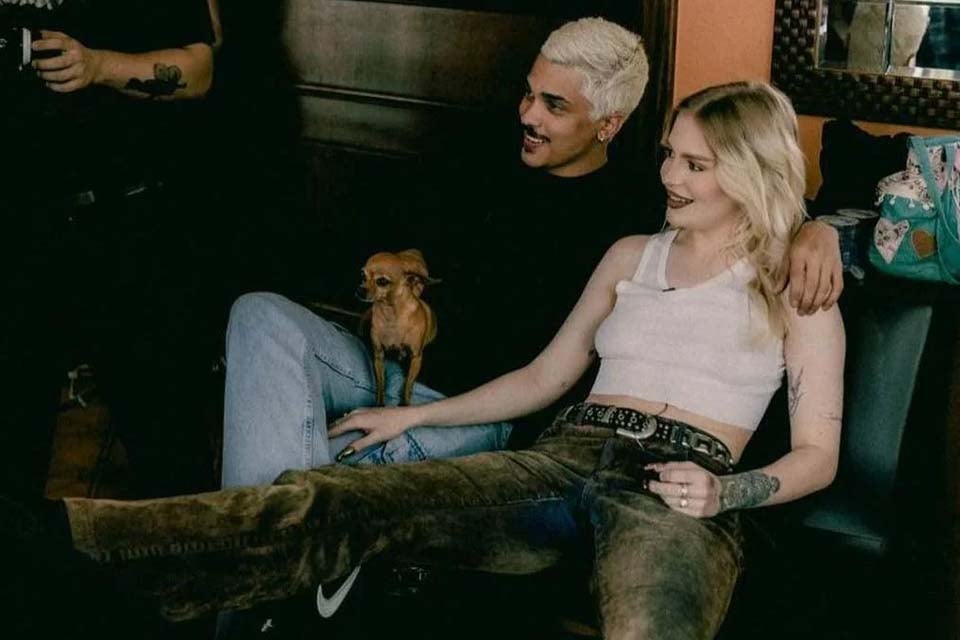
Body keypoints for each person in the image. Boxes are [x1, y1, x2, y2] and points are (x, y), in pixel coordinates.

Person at [7, 78, 844, 640]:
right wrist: (412, 415)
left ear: (748, 171)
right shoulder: (632, 254)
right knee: (330, 500)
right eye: (667, 154)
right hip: (563, 455)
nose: (669, 176)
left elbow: (818, 455)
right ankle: (71, 542)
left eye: (695, 164)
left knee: (650, 628)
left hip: (684, 487)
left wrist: (728, 491)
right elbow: (545, 378)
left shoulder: (797, 285)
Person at [221, 17, 843, 493]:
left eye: (554, 105)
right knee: (258, 315)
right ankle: (281, 552)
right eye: (529, 93)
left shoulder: (647, 210)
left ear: (608, 123)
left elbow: (751, 195)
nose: (528, 115)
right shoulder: (478, 157)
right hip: (394, 371)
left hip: (487, 414)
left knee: (317, 473)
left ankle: (265, 566)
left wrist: (815, 230)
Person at [0, 0, 223, 499]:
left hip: (126, 229)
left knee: (168, 455)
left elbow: (199, 71)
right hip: (17, 230)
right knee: (9, 458)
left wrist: (97, 65)